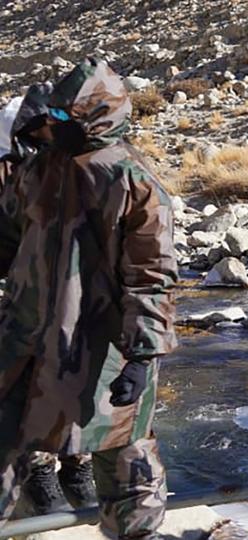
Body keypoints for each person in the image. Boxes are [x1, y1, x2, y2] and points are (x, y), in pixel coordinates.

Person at [0, 58, 178, 539]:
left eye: (68, 117)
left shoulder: (132, 180)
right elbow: (6, 237)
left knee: (124, 454)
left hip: (103, 347)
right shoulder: (39, 169)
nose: (58, 125)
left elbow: (152, 275)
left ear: (98, 115)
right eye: (56, 116)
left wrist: (143, 353)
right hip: (27, 340)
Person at [0, 83, 100, 516]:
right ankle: (40, 468)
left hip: (75, 290)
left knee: (81, 373)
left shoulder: (74, 165)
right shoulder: (13, 170)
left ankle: (78, 463)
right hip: (23, 296)